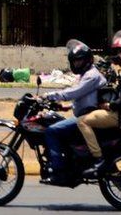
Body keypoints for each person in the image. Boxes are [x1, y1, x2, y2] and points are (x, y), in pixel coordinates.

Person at [77, 31, 121, 178]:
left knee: (82, 121)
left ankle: (98, 159)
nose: (119, 54)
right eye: (118, 51)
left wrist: (111, 106)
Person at [39, 39, 106, 184]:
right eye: (74, 62)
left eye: (79, 61)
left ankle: (58, 170)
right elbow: (85, 98)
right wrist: (66, 107)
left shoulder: (91, 76)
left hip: (88, 117)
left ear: (87, 60)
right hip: (87, 113)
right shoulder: (87, 74)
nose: (76, 64)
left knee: (51, 131)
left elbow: (74, 92)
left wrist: (48, 95)